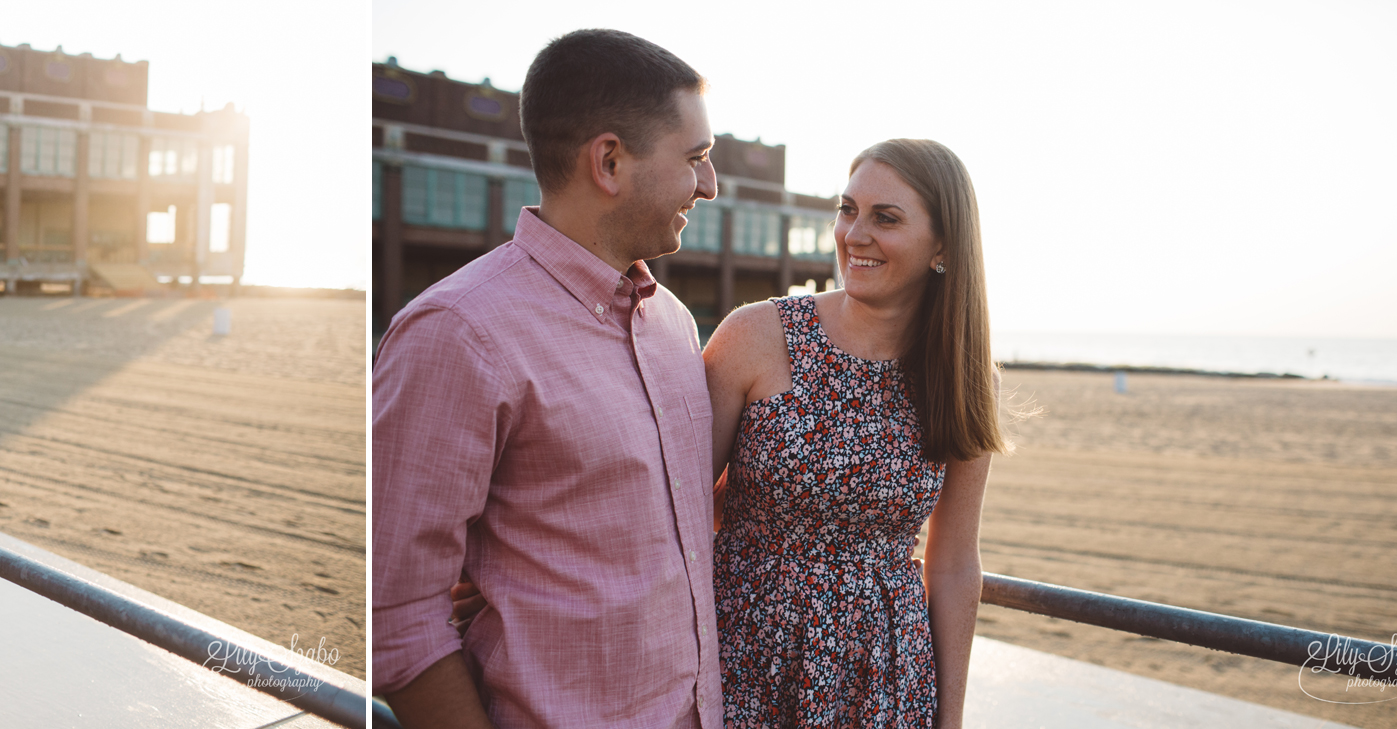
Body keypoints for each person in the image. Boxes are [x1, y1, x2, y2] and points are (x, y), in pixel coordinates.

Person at [372, 29, 724, 728]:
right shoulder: (458, 332)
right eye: (697, 159)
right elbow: (398, 619)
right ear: (610, 160)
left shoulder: (676, 325)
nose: (709, 185)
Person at [702, 138, 1000, 727]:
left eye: (884, 218)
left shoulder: (963, 375)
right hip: (741, 653)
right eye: (847, 209)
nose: (853, 234)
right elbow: (675, 507)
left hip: (884, 677)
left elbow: (954, 561)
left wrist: (950, 717)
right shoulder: (754, 336)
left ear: (943, 245)